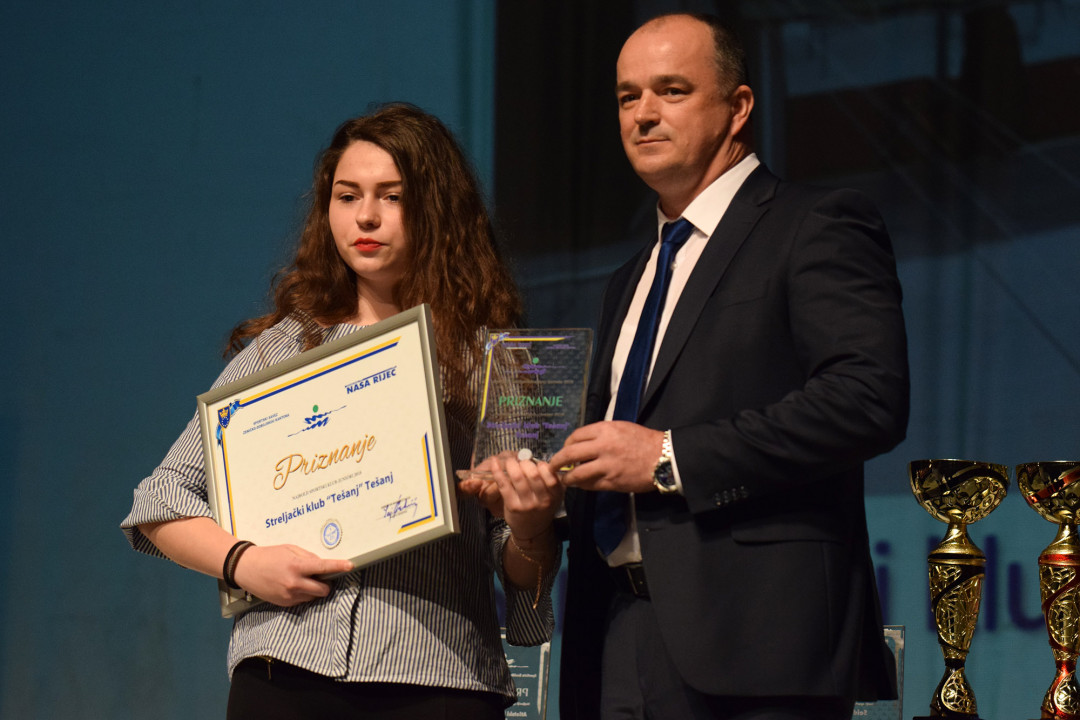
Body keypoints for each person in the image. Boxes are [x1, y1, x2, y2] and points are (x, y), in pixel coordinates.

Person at [121, 103, 563, 719]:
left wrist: (532, 525)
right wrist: (245, 563)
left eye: (392, 196)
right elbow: (159, 502)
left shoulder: (492, 362)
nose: (365, 217)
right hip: (284, 671)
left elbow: (519, 566)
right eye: (347, 195)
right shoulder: (284, 349)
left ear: (437, 208)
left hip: (437, 676)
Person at [546, 13, 910, 720]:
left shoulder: (815, 224)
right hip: (615, 634)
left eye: (672, 90)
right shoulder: (630, 277)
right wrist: (546, 488)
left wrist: (668, 459)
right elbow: (617, 456)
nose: (644, 114)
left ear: (738, 107)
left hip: (757, 647)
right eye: (627, 97)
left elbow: (867, 398)